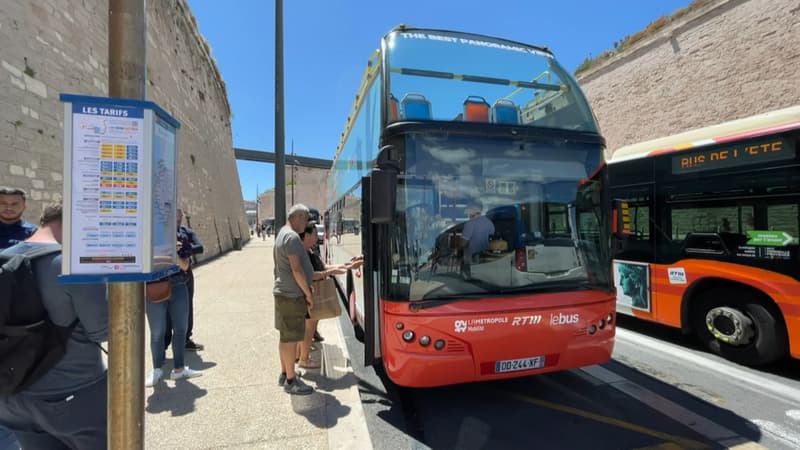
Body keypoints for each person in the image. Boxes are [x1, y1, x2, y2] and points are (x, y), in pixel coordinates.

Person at [0, 203, 109, 449]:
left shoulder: (6, 257)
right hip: (71, 395)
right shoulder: (73, 265)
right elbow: (103, 330)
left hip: (11, 398)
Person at [145, 216, 203, 387]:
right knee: (157, 332)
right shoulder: (146, 243)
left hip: (178, 286)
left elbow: (185, 266)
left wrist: (173, 253)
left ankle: (179, 369)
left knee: (180, 329)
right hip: (155, 286)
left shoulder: (181, 240)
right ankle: (157, 369)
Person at [296, 222, 361, 368]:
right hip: (307, 295)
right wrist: (327, 273)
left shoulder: (310, 251)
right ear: (306, 235)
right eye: (314, 234)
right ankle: (303, 359)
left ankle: (301, 355)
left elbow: (325, 267)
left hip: (312, 294)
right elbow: (311, 275)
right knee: (308, 329)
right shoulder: (301, 254)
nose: (316, 237)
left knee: (310, 327)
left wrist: (349, 265)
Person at [274, 204, 315, 395]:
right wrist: (307, 293)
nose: (306, 223)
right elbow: (297, 270)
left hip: (284, 294)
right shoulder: (291, 237)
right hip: (291, 296)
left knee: (285, 336)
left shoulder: (282, 233)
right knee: (290, 339)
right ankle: (291, 381)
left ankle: (285, 373)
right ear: (297, 217)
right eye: (306, 219)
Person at [460, 202, 495, 279]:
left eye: (468, 209)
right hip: (488, 259)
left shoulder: (470, 223)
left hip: (472, 262)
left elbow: (463, 243)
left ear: (475, 209)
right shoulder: (489, 223)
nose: (467, 211)